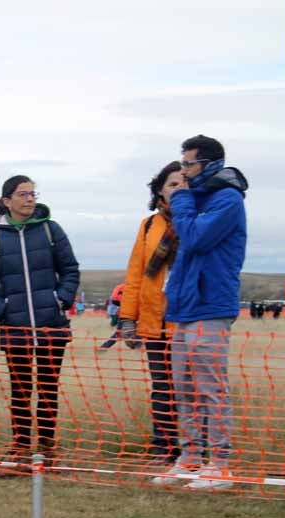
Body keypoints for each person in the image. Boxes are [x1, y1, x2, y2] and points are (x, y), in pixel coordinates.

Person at [155, 135, 248, 490]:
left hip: (211, 304)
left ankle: (220, 463)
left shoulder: (227, 200)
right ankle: (190, 457)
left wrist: (180, 198)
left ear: (209, 164)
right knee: (185, 386)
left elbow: (194, 239)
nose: (184, 172)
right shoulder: (196, 200)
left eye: (189, 165)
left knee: (210, 386)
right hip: (185, 305)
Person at [0, 175, 80, 468]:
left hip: (51, 325)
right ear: (7, 201)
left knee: (48, 387)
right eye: (23, 194)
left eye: (33, 193)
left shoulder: (51, 229)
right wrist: (3, 309)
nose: (30, 199)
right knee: (20, 389)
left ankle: (47, 445)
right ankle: (21, 445)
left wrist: (60, 299)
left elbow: (70, 269)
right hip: (15, 327)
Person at [119, 162, 185, 462]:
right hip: (155, 322)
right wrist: (127, 319)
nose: (179, 188)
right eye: (172, 184)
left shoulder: (197, 220)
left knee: (192, 389)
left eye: (184, 182)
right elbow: (135, 277)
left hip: (187, 321)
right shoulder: (148, 226)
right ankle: (165, 446)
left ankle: (197, 446)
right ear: (160, 189)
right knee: (162, 389)